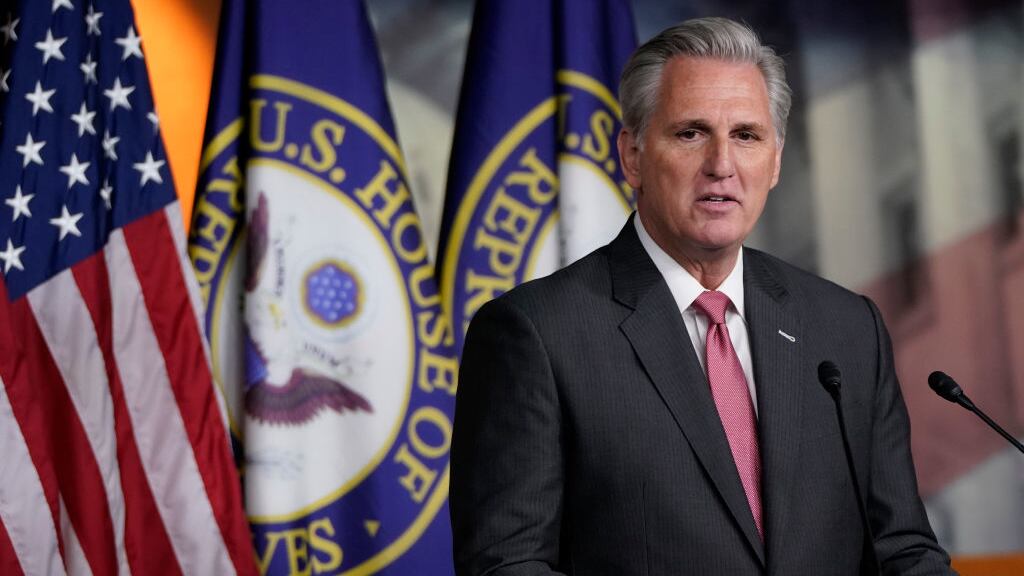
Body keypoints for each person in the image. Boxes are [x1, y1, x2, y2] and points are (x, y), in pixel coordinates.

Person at [450, 17, 955, 576]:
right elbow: (506, 564)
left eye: (746, 135)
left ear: (776, 160)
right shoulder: (536, 335)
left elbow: (904, 550)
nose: (722, 165)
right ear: (633, 156)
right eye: (691, 133)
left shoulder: (847, 328)